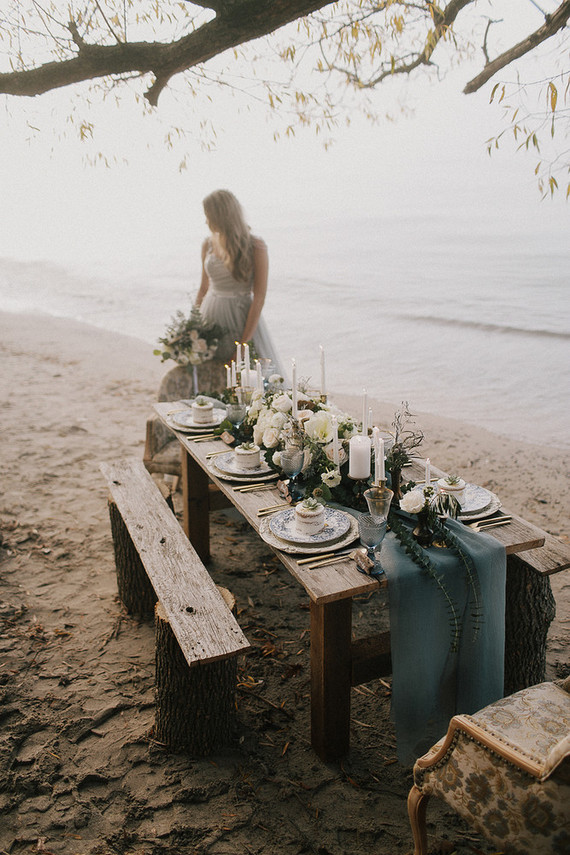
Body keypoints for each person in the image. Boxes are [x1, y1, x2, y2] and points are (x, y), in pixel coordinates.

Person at [195, 189, 283, 376]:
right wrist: (192, 326)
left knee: (247, 376)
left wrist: (243, 344)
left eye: (208, 216)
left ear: (220, 216)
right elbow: (203, 287)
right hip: (209, 315)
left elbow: (259, 297)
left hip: (240, 317)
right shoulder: (207, 244)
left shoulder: (255, 246)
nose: (206, 221)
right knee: (212, 375)